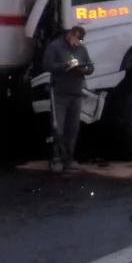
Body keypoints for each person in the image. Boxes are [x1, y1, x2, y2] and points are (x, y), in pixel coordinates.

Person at [43, 25, 94, 172]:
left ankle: (69, 158)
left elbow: (90, 67)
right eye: (76, 38)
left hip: (75, 92)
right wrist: (64, 66)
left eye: (80, 40)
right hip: (59, 92)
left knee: (73, 128)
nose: (77, 42)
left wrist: (85, 69)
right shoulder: (55, 47)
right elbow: (47, 65)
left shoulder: (81, 49)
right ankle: (56, 158)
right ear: (70, 34)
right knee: (58, 127)